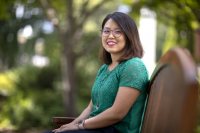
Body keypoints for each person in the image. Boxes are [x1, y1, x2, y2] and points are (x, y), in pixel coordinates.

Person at [49, 11, 149, 133]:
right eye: (106, 31)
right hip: (95, 128)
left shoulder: (133, 66)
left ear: (129, 36)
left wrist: (80, 126)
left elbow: (117, 113)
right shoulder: (105, 68)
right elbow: (91, 107)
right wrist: (72, 124)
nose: (110, 36)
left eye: (118, 32)